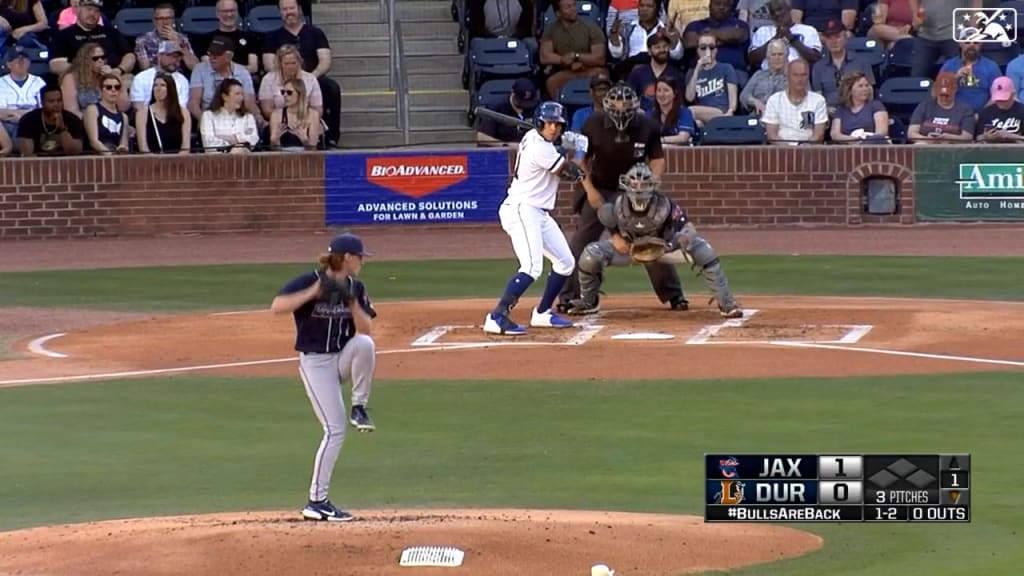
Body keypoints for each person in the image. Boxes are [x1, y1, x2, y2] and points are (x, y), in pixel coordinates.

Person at [270, 232, 379, 523]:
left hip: (341, 358)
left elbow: (366, 329)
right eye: (360, 258)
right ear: (347, 258)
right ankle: (316, 502)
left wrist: (353, 301)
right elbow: (277, 307)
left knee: (365, 345)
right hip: (316, 364)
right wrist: (314, 293)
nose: (362, 263)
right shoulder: (310, 280)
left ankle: (360, 405)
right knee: (334, 430)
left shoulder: (357, 286)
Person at [556, 82, 688, 314]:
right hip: (600, 186)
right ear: (607, 105)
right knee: (580, 242)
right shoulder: (593, 123)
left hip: (634, 189)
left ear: (635, 105)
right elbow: (580, 161)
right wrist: (591, 192)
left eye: (626, 104)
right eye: (616, 104)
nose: (621, 108)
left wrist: (651, 183)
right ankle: (570, 296)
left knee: (650, 239)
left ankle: (673, 294)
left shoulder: (647, 125)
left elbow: (657, 159)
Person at [568, 163, 743, 318]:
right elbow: (605, 215)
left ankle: (727, 304)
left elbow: (688, 229)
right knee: (591, 254)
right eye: (635, 184)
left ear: (652, 185)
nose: (639, 188)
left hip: (664, 249)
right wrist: (616, 237)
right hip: (630, 250)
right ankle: (589, 302)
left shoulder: (665, 205)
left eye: (644, 184)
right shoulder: (618, 204)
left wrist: (672, 244)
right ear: (626, 184)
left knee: (703, 249)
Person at [484, 101, 583, 335]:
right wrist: (580, 149)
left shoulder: (534, 137)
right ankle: (497, 316)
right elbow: (575, 173)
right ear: (539, 123)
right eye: (549, 124)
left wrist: (562, 142)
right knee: (531, 267)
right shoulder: (541, 149)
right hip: (522, 209)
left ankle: (543, 313)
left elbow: (554, 148)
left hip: (538, 212)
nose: (553, 129)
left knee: (565, 262)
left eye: (557, 125)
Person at [16, 83, 84, 156]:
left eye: (59, 100)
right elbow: (26, 153)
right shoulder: (28, 120)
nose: (56, 105)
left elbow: (74, 151)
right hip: (38, 162)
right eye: (51, 101)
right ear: (42, 103)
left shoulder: (73, 120)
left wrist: (62, 129)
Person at [907, 71, 975, 143]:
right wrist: (927, 139)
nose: (944, 98)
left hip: (952, 146)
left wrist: (948, 137)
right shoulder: (924, 106)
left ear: (955, 90)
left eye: (947, 95)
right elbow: (911, 133)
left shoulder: (965, 110)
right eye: (941, 95)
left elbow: (967, 137)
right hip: (926, 143)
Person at [200, 77, 260, 153]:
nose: (241, 98)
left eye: (242, 94)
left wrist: (232, 138)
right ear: (225, 96)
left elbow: (252, 138)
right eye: (237, 94)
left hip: (244, 157)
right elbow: (209, 144)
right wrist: (231, 148)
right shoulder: (208, 116)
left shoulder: (248, 117)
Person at [136, 73, 190, 154]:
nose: (158, 88)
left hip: (177, 161)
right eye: (155, 85)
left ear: (171, 88)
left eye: (163, 85)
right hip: (151, 162)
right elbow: (143, 148)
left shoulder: (183, 113)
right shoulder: (142, 113)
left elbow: (185, 147)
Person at [829, 71, 889, 143]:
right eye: (860, 86)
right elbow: (835, 135)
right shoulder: (841, 109)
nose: (865, 89)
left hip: (873, 146)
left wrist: (863, 141)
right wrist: (855, 139)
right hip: (849, 147)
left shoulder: (876, 105)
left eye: (866, 86)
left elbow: (881, 133)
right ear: (849, 90)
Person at [270, 78, 322, 150]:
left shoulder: (313, 114)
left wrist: (305, 141)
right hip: (283, 158)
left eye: (289, 92)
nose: (285, 95)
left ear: (300, 94)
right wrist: (275, 141)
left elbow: (313, 151)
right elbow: (273, 151)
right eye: (283, 92)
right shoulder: (276, 115)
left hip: (305, 158)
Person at [82, 73, 129, 154]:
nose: (113, 90)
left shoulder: (124, 117)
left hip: (114, 156)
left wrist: (122, 149)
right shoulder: (93, 109)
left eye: (117, 87)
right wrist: (109, 155)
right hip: (96, 157)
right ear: (101, 90)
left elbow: (123, 144)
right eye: (109, 87)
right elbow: (93, 141)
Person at [975, 76, 1024, 142]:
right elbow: (977, 137)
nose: (1000, 102)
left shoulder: (1021, 110)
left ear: (1013, 95)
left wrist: (1011, 136)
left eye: (1004, 99)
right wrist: (985, 136)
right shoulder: (986, 112)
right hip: (992, 150)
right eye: (998, 99)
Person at [649, 77, 696, 145]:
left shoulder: (684, 112)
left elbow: (683, 137)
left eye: (666, 90)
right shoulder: (649, 114)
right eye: (659, 90)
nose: (662, 94)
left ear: (675, 93)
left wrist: (662, 140)